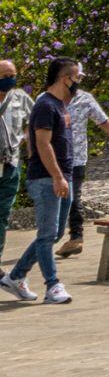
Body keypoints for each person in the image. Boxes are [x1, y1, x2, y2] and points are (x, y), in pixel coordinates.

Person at [1, 57, 77, 304]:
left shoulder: (40, 102)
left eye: (11, 74)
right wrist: (53, 174)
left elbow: (32, 135)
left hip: (31, 170)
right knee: (47, 234)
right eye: (77, 77)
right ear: (65, 78)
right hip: (46, 177)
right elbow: (43, 141)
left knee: (49, 233)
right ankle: (52, 285)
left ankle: (15, 276)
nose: (8, 79)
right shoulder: (46, 104)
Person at [59, 64, 109, 258]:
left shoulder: (85, 99)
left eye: (80, 78)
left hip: (77, 158)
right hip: (52, 157)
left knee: (72, 196)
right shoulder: (47, 100)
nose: (78, 82)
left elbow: (103, 121)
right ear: (63, 77)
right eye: (75, 78)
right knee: (57, 198)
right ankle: (53, 235)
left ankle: (76, 237)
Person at [0, 61, 27, 244]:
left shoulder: (20, 98)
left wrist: (22, 137)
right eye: (5, 76)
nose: (10, 80)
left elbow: (37, 120)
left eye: (13, 75)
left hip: (10, 165)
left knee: (2, 215)